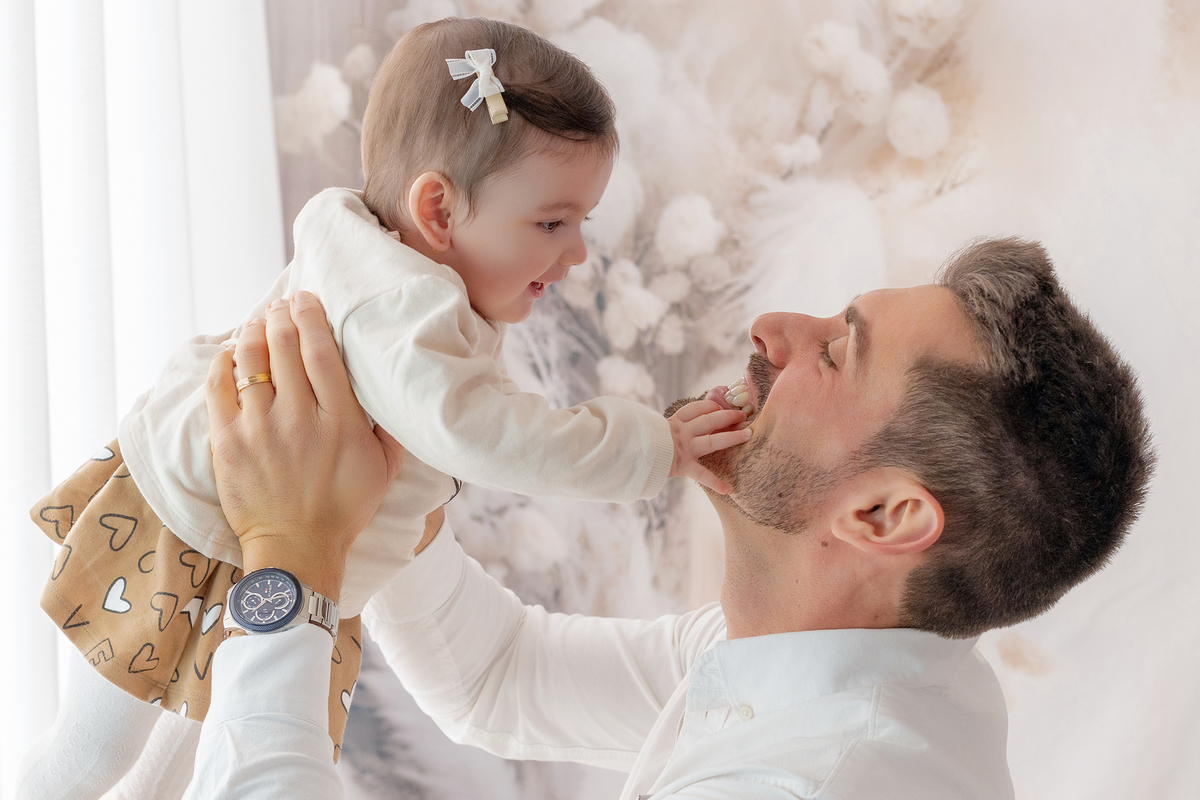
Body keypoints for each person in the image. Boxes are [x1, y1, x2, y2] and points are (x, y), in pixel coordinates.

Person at [19, 17, 749, 800]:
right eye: (550, 223)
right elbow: (483, 432)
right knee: (94, 751)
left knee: (164, 765)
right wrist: (652, 449)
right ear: (436, 210)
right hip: (201, 529)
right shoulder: (403, 308)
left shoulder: (378, 255)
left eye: (580, 224)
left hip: (236, 538)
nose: (574, 256)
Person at [186, 238, 1153, 799]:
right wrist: (394, 470)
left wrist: (290, 553)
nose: (773, 330)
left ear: (886, 514)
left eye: (837, 351)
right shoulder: (841, 653)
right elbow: (500, 678)